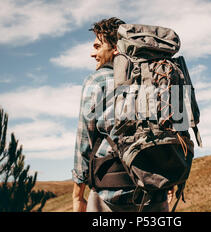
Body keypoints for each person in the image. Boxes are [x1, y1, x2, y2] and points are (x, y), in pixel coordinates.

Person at [71, 17, 172, 212]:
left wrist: (77, 196)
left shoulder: (97, 80)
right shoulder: (156, 77)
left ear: (116, 48)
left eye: (97, 46)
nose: (93, 53)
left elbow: (85, 141)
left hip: (111, 195)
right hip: (155, 193)